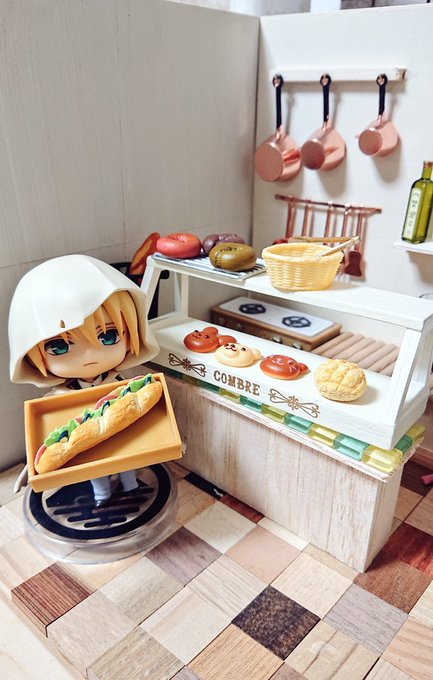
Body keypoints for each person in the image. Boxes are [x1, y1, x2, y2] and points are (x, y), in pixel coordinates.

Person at [8, 254, 159, 506]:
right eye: (59, 347)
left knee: (127, 461)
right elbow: (49, 435)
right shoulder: (55, 401)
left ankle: (131, 486)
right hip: (87, 448)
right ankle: (102, 495)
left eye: (108, 336)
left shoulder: (125, 387)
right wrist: (30, 470)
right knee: (93, 469)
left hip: (124, 440)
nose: (89, 355)